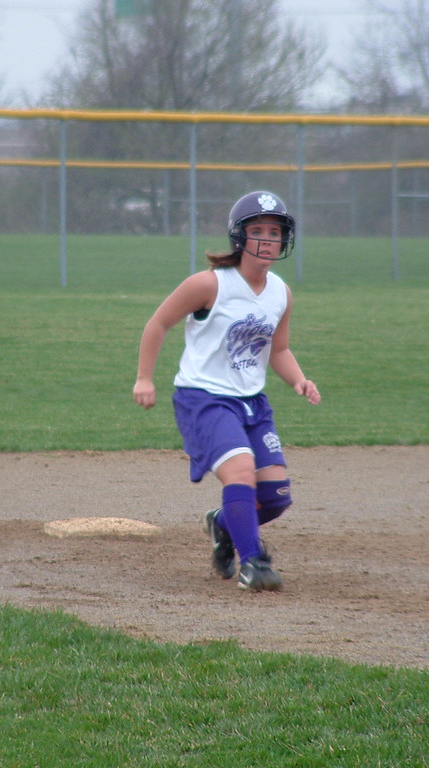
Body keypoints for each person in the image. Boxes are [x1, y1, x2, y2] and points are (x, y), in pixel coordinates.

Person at [133, 191, 321, 592]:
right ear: (240, 237)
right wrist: (144, 378)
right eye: (258, 231)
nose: (268, 240)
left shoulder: (280, 293)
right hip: (204, 398)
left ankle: (222, 524)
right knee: (239, 473)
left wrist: (299, 380)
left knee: (274, 496)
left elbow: (279, 348)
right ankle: (253, 563)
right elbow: (158, 323)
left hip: (253, 402)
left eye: (275, 232)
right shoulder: (210, 284)